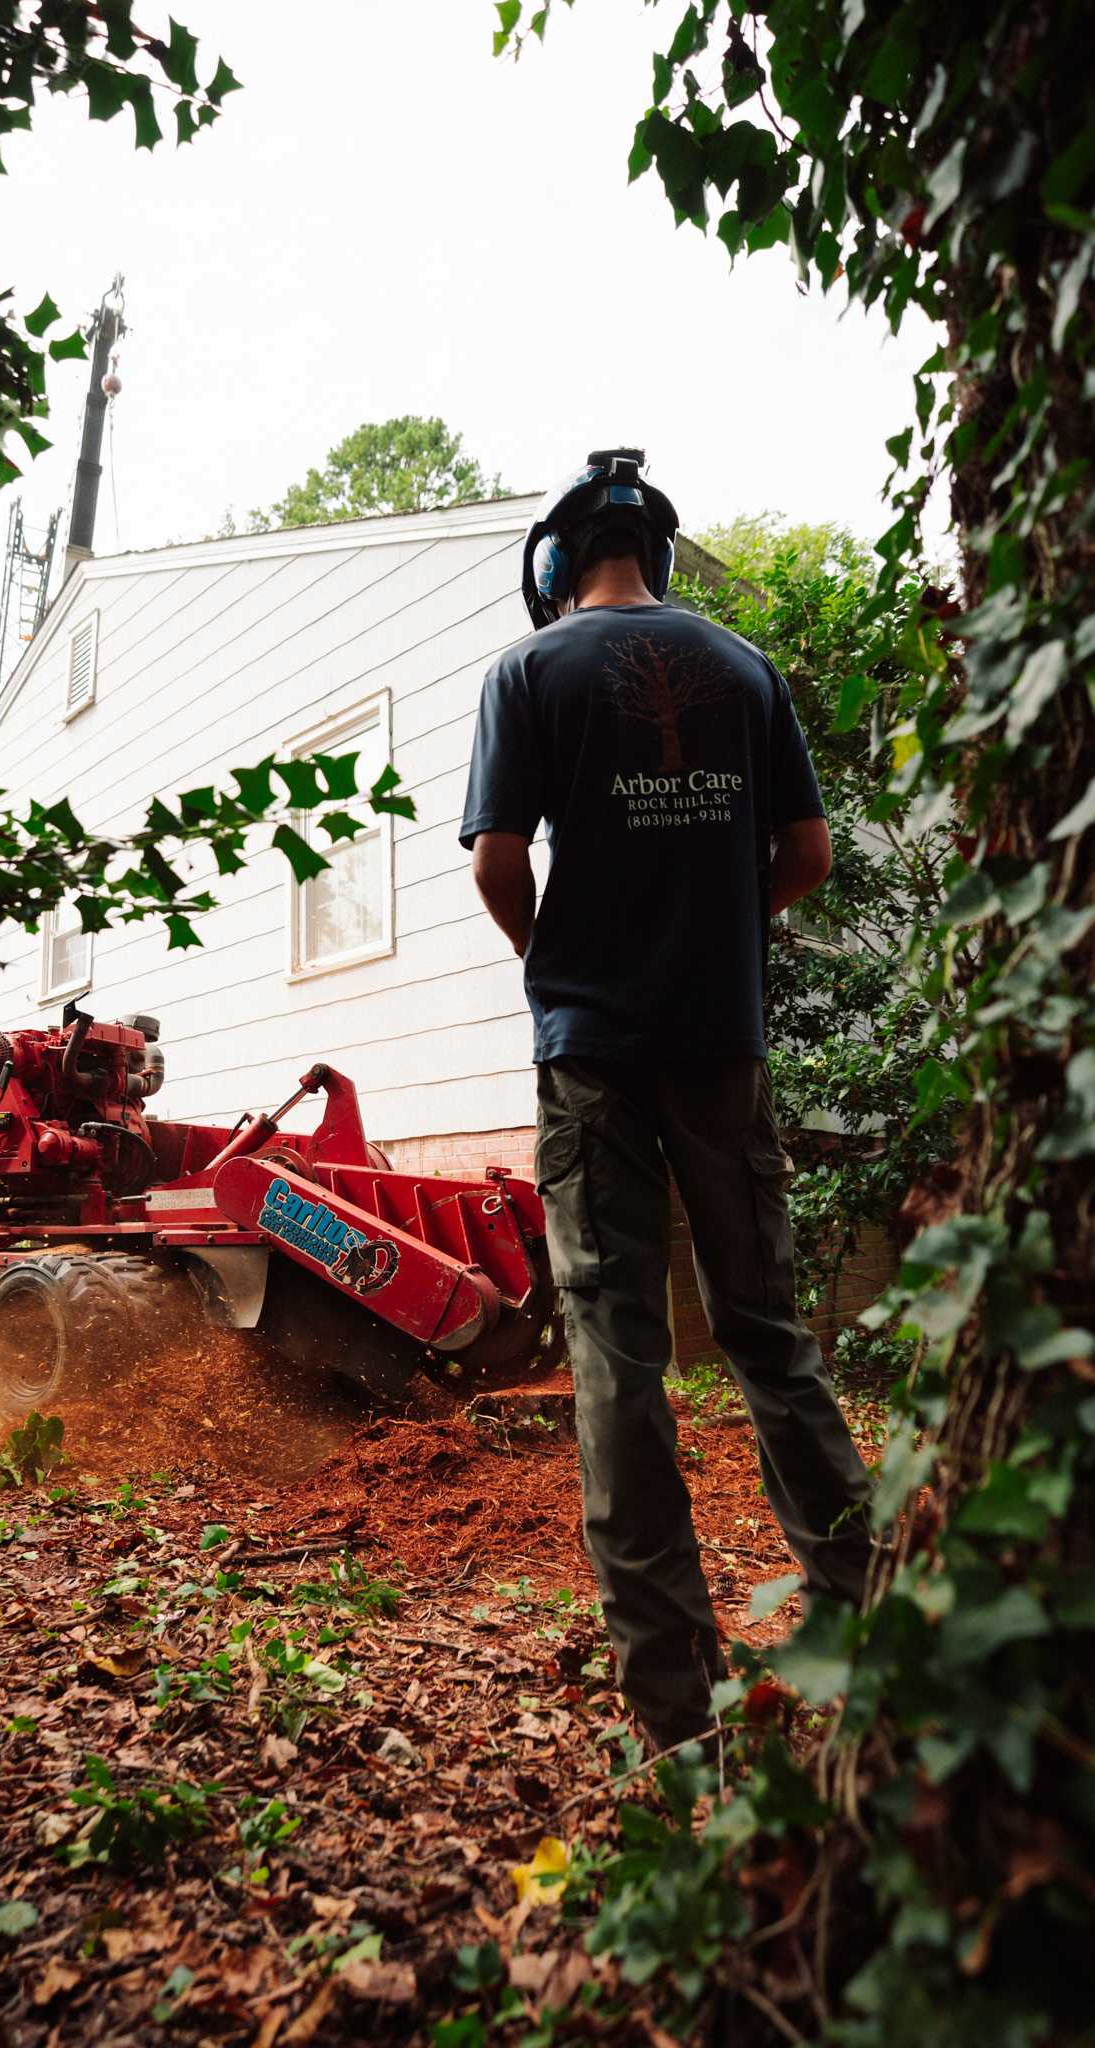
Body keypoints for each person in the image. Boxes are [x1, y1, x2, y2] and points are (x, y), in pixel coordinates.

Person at [459, 449, 873, 1753]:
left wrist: (556, 959)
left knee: (617, 1359)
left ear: (554, 560)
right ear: (660, 551)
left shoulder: (526, 675)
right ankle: (869, 1626)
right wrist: (718, 936)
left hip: (590, 1051)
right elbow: (804, 854)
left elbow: (494, 860)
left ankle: (673, 1715)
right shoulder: (745, 670)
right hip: (723, 1044)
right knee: (768, 1334)